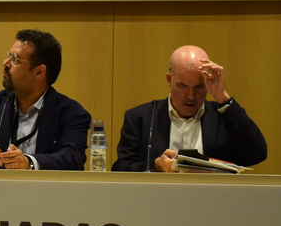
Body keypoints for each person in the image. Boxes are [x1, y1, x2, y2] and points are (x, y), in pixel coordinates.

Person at [0, 29, 91, 170]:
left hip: (46, 191)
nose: (5, 63)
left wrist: (29, 162)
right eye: (8, 56)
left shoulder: (71, 113)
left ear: (39, 71)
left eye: (15, 59)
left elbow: (73, 158)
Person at [112, 45, 267, 172]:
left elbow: (257, 154)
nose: (191, 96)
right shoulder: (142, 118)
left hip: (213, 202)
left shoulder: (223, 116)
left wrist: (223, 97)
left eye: (199, 87)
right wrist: (154, 166)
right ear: (169, 80)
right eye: (182, 86)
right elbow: (120, 169)